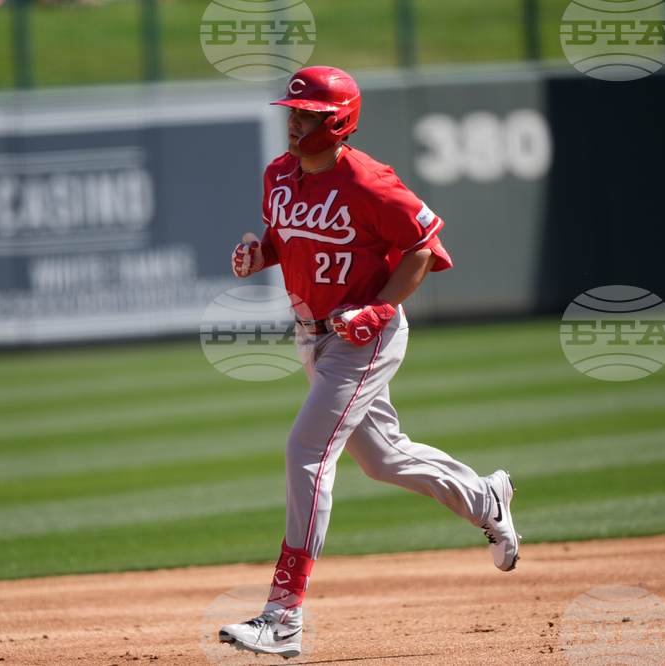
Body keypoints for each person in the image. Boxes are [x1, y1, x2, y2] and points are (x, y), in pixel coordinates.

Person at [218, 66, 520, 659]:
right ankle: (485, 499)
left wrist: (380, 310)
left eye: (304, 113)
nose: (292, 119)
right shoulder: (278, 175)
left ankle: (282, 617)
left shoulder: (372, 182)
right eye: (291, 110)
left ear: (338, 122)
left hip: (364, 339)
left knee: (307, 451)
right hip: (314, 336)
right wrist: (263, 253)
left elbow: (423, 249)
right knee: (383, 459)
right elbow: (287, 234)